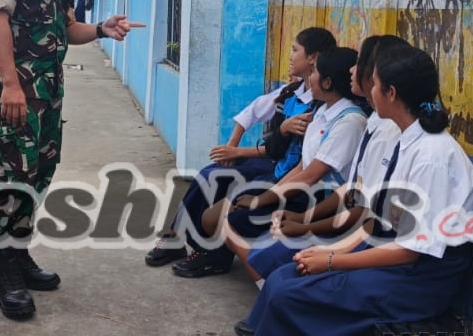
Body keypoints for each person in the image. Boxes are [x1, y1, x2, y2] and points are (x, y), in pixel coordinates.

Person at [235, 43, 473, 336]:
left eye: (374, 83)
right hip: (391, 250)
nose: (363, 83)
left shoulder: (433, 156)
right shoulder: (408, 140)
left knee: (291, 295)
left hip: (419, 279)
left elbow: (410, 250)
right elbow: (377, 217)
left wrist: (332, 260)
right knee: (284, 278)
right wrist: (331, 253)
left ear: (390, 93)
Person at [0, 0, 144, 320]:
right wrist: (11, 86)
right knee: (14, 177)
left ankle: (19, 257)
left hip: (49, 93)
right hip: (16, 94)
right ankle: (4, 278)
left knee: (39, 176)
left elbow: (67, 28)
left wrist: (102, 30)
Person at [149, 27, 336, 274]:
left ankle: (212, 253)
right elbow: (254, 111)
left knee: (225, 187)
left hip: (285, 170)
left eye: (295, 50)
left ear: (313, 58)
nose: (289, 56)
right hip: (279, 164)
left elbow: (291, 156)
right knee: (211, 173)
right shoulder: (292, 91)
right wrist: (232, 145)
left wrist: (240, 153)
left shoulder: (322, 106)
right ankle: (179, 235)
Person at [244, 35, 409, 282]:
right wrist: (300, 220)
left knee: (279, 271)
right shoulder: (372, 123)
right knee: (265, 250)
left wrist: (307, 226)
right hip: (340, 217)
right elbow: (351, 188)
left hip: (356, 230)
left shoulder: (375, 128)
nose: (353, 69)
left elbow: (362, 210)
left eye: (360, 63)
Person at [206, 47, 367, 286]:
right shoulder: (321, 112)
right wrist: (268, 195)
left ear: (327, 82)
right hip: (300, 193)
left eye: (314, 73)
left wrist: (264, 200)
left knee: (225, 219)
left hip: (323, 204)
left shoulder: (350, 122)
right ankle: (256, 270)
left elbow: (311, 175)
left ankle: (266, 282)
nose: (308, 79)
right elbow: (303, 166)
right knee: (215, 214)